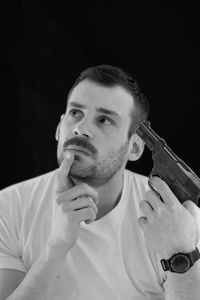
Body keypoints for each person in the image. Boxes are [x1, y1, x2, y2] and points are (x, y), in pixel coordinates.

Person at [0, 64, 200, 300]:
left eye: (104, 120)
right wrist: (55, 248)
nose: (81, 129)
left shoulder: (178, 221)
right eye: (76, 113)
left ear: (134, 147)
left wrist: (178, 253)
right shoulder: (8, 207)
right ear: (58, 129)